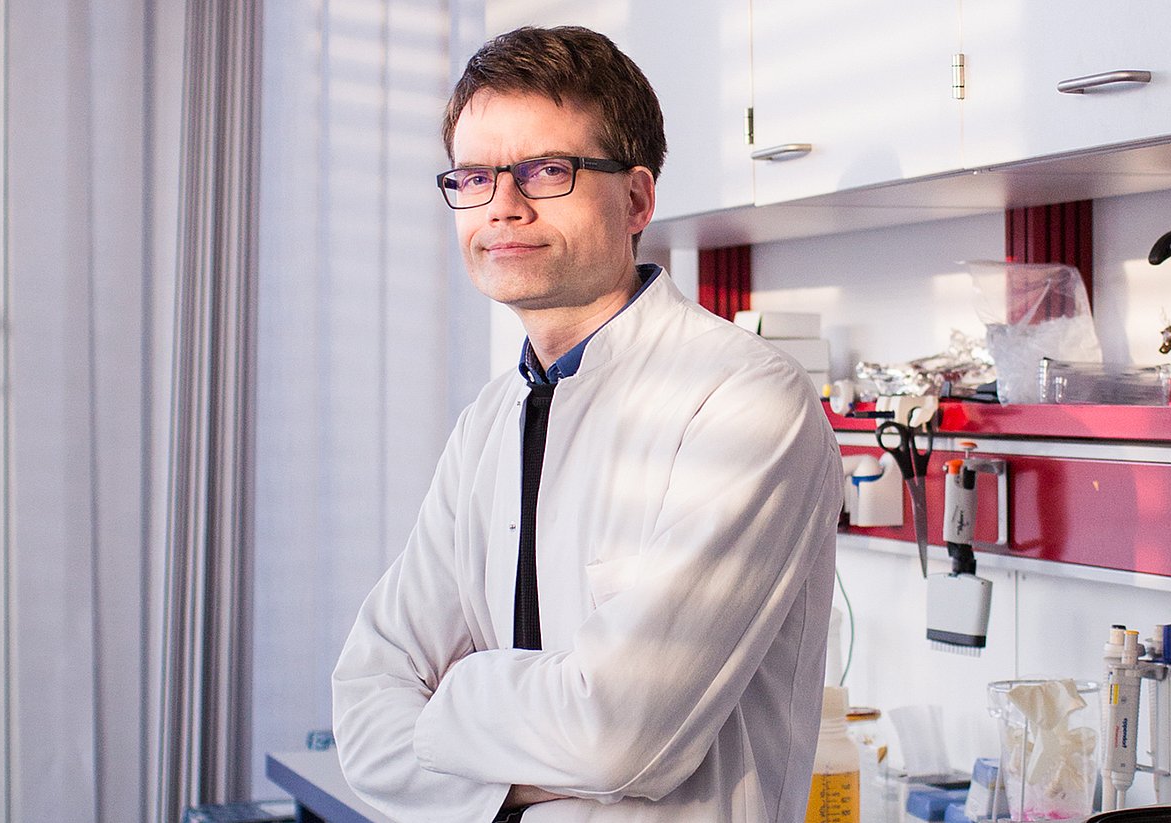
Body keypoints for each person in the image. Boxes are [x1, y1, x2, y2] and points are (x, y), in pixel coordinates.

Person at [330, 25, 842, 823]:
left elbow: (617, 735)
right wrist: (548, 737)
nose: (503, 206)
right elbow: (363, 713)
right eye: (474, 175)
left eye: (546, 170)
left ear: (637, 199)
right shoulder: (488, 423)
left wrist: (454, 698)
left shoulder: (742, 399)